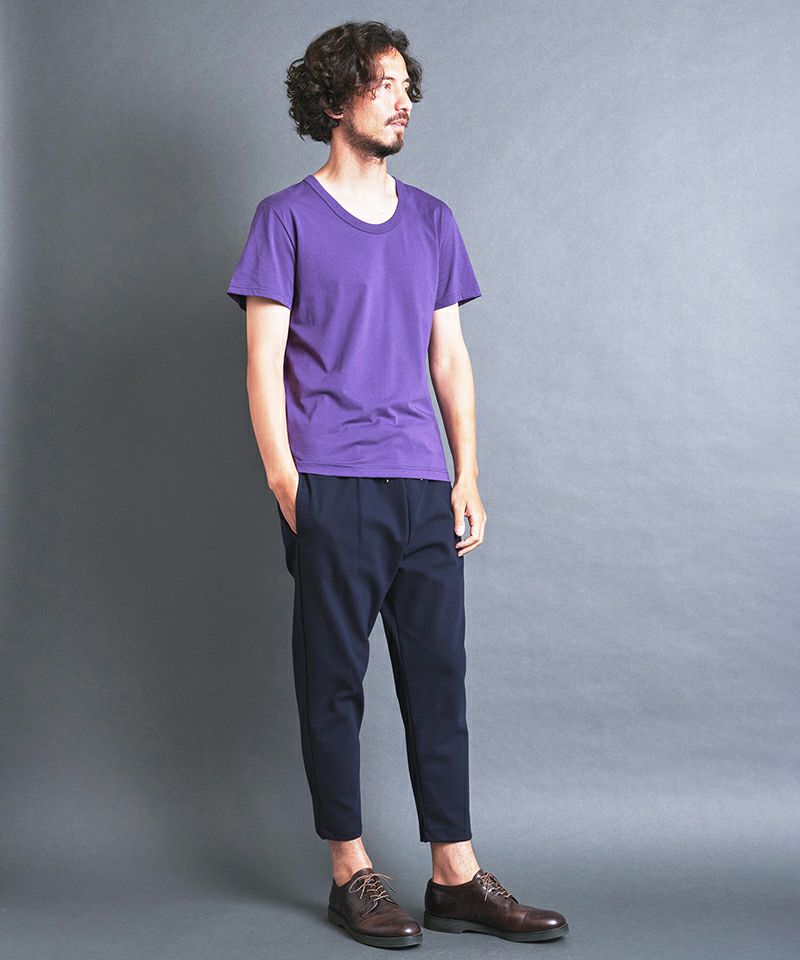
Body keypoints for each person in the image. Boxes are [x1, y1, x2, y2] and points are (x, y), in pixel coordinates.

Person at [226, 19, 569, 949]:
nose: (402, 101)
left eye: (405, 86)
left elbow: (449, 358)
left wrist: (467, 473)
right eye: (382, 85)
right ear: (335, 98)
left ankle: (455, 877)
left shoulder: (433, 221)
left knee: (438, 681)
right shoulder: (285, 218)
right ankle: (351, 872)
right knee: (333, 682)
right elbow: (262, 365)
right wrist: (288, 484)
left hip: (422, 484)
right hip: (331, 481)